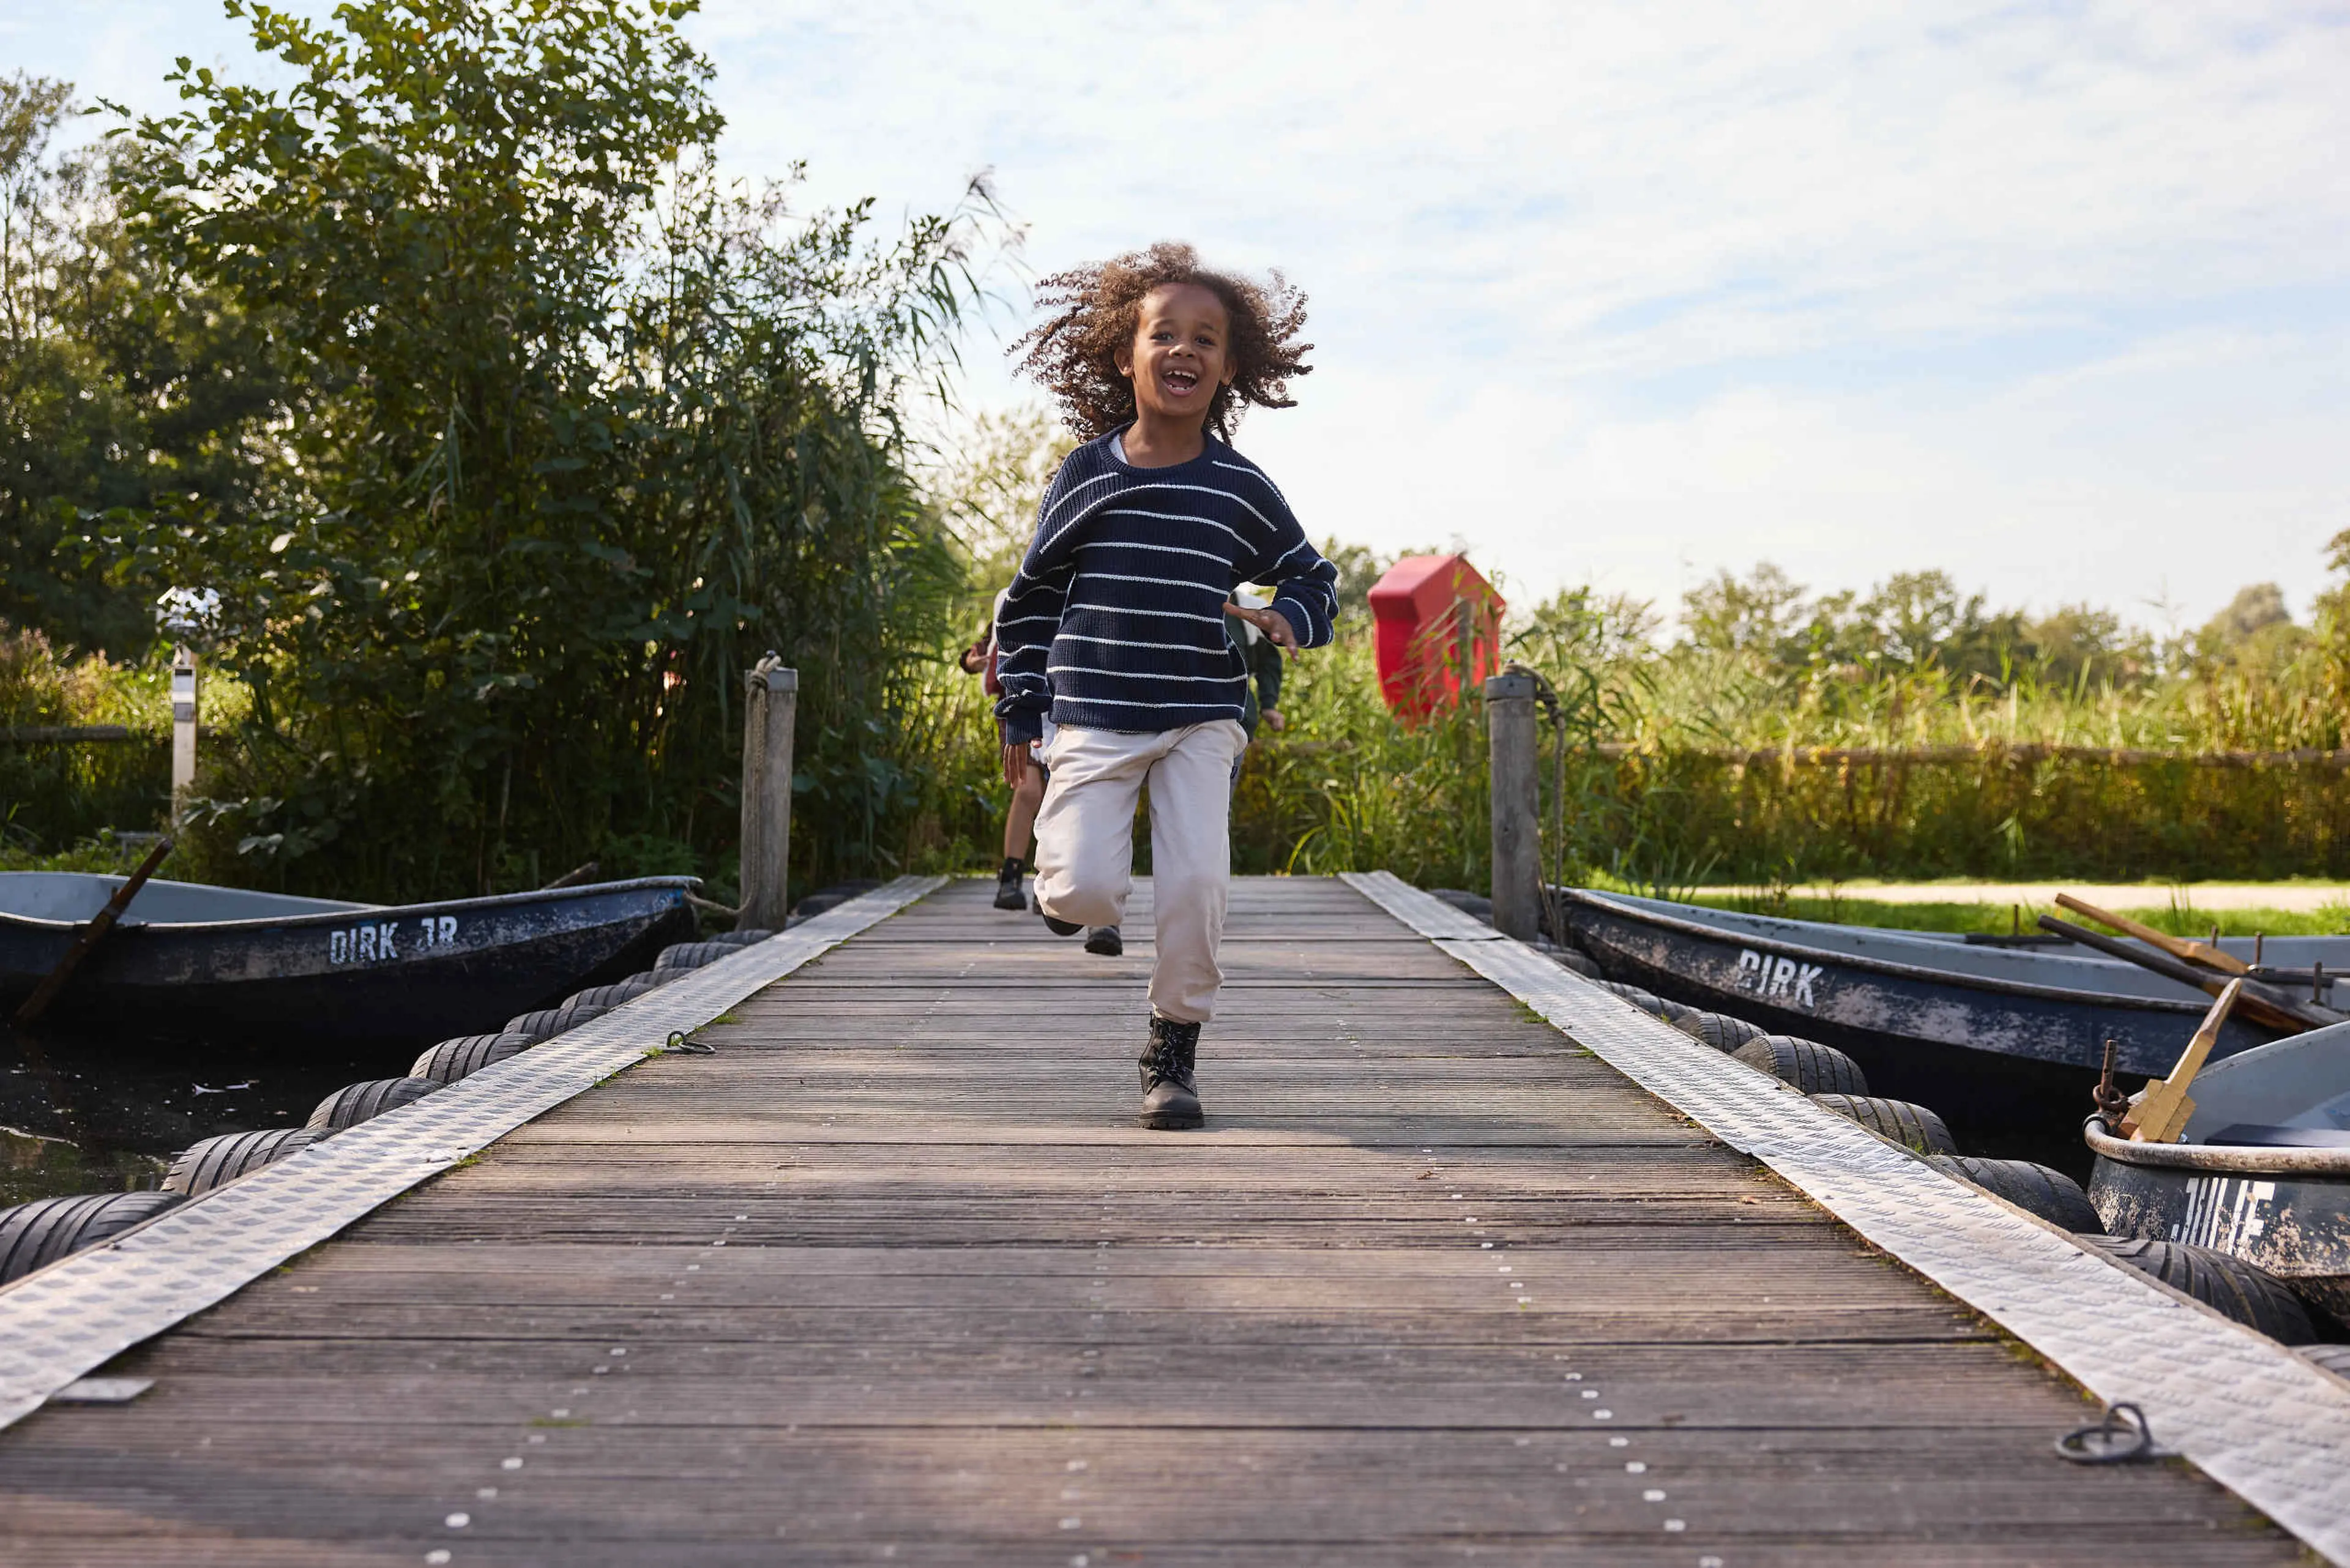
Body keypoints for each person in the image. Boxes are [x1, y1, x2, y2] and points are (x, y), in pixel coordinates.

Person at [994, 242, 1337, 1130]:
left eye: (1206, 340)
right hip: (1097, 712)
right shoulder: (1086, 473)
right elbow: (1028, 603)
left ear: (1230, 367)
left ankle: (1172, 1048)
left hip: (1200, 715)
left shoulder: (1238, 487)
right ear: (1126, 354)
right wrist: (1020, 715)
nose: (1185, 351)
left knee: (1196, 885)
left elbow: (1313, 574)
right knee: (1084, 895)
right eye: (1165, 334)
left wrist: (1287, 616)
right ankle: (1062, 891)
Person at [963, 591, 1124, 954]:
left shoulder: (1101, 580)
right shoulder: (1026, 586)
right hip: (1032, 707)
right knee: (1031, 792)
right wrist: (975, 661)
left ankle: (1101, 915)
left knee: (1096, 801)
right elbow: (992, 641)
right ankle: (1016, 878)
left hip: (1092, 705)